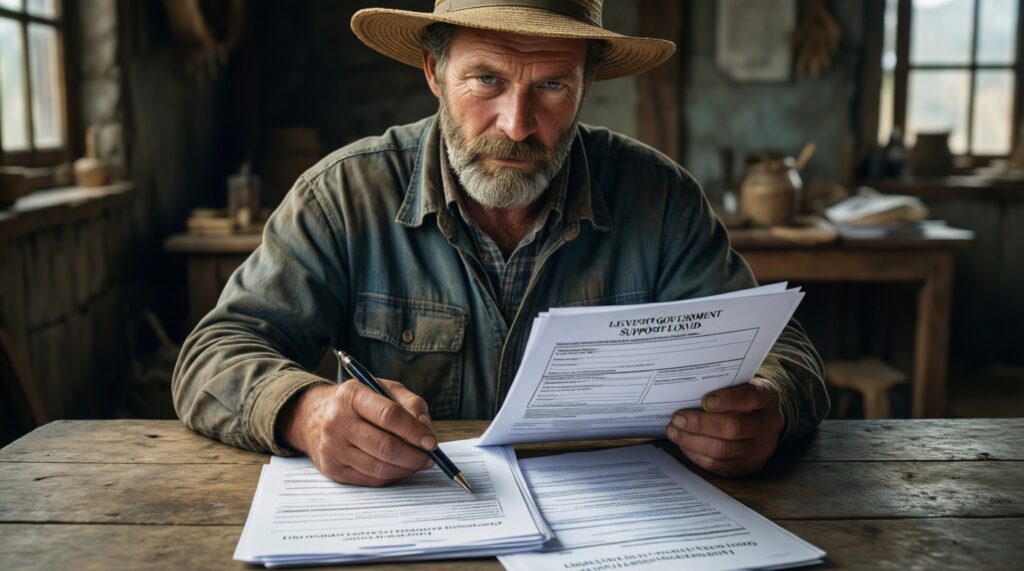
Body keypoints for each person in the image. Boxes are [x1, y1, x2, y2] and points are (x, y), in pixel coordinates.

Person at [172, 0, 829, 487]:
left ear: (585, 87)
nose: (517, 126)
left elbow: (780, 348)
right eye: (486, 79)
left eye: (551, 86)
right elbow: (213, 352)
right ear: (434, 71)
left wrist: (771, 403)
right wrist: (304, 410)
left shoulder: (660, 200)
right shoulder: (345, 195)